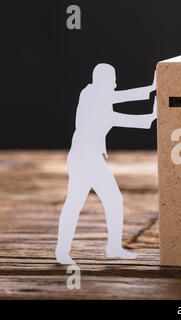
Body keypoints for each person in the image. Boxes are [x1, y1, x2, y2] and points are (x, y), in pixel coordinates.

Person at [55, 63, 157, 265]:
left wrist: (151, 88)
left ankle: (113, 248)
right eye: (112, 81)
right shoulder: (93, 99)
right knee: (75, 203)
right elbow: (119, 117)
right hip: (84, 159)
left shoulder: (94, 93)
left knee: (112, 200)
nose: (115, 85)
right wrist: (151, 117)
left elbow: (121, 96)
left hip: (90, 158)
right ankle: (62, 251)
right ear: (102, 82)